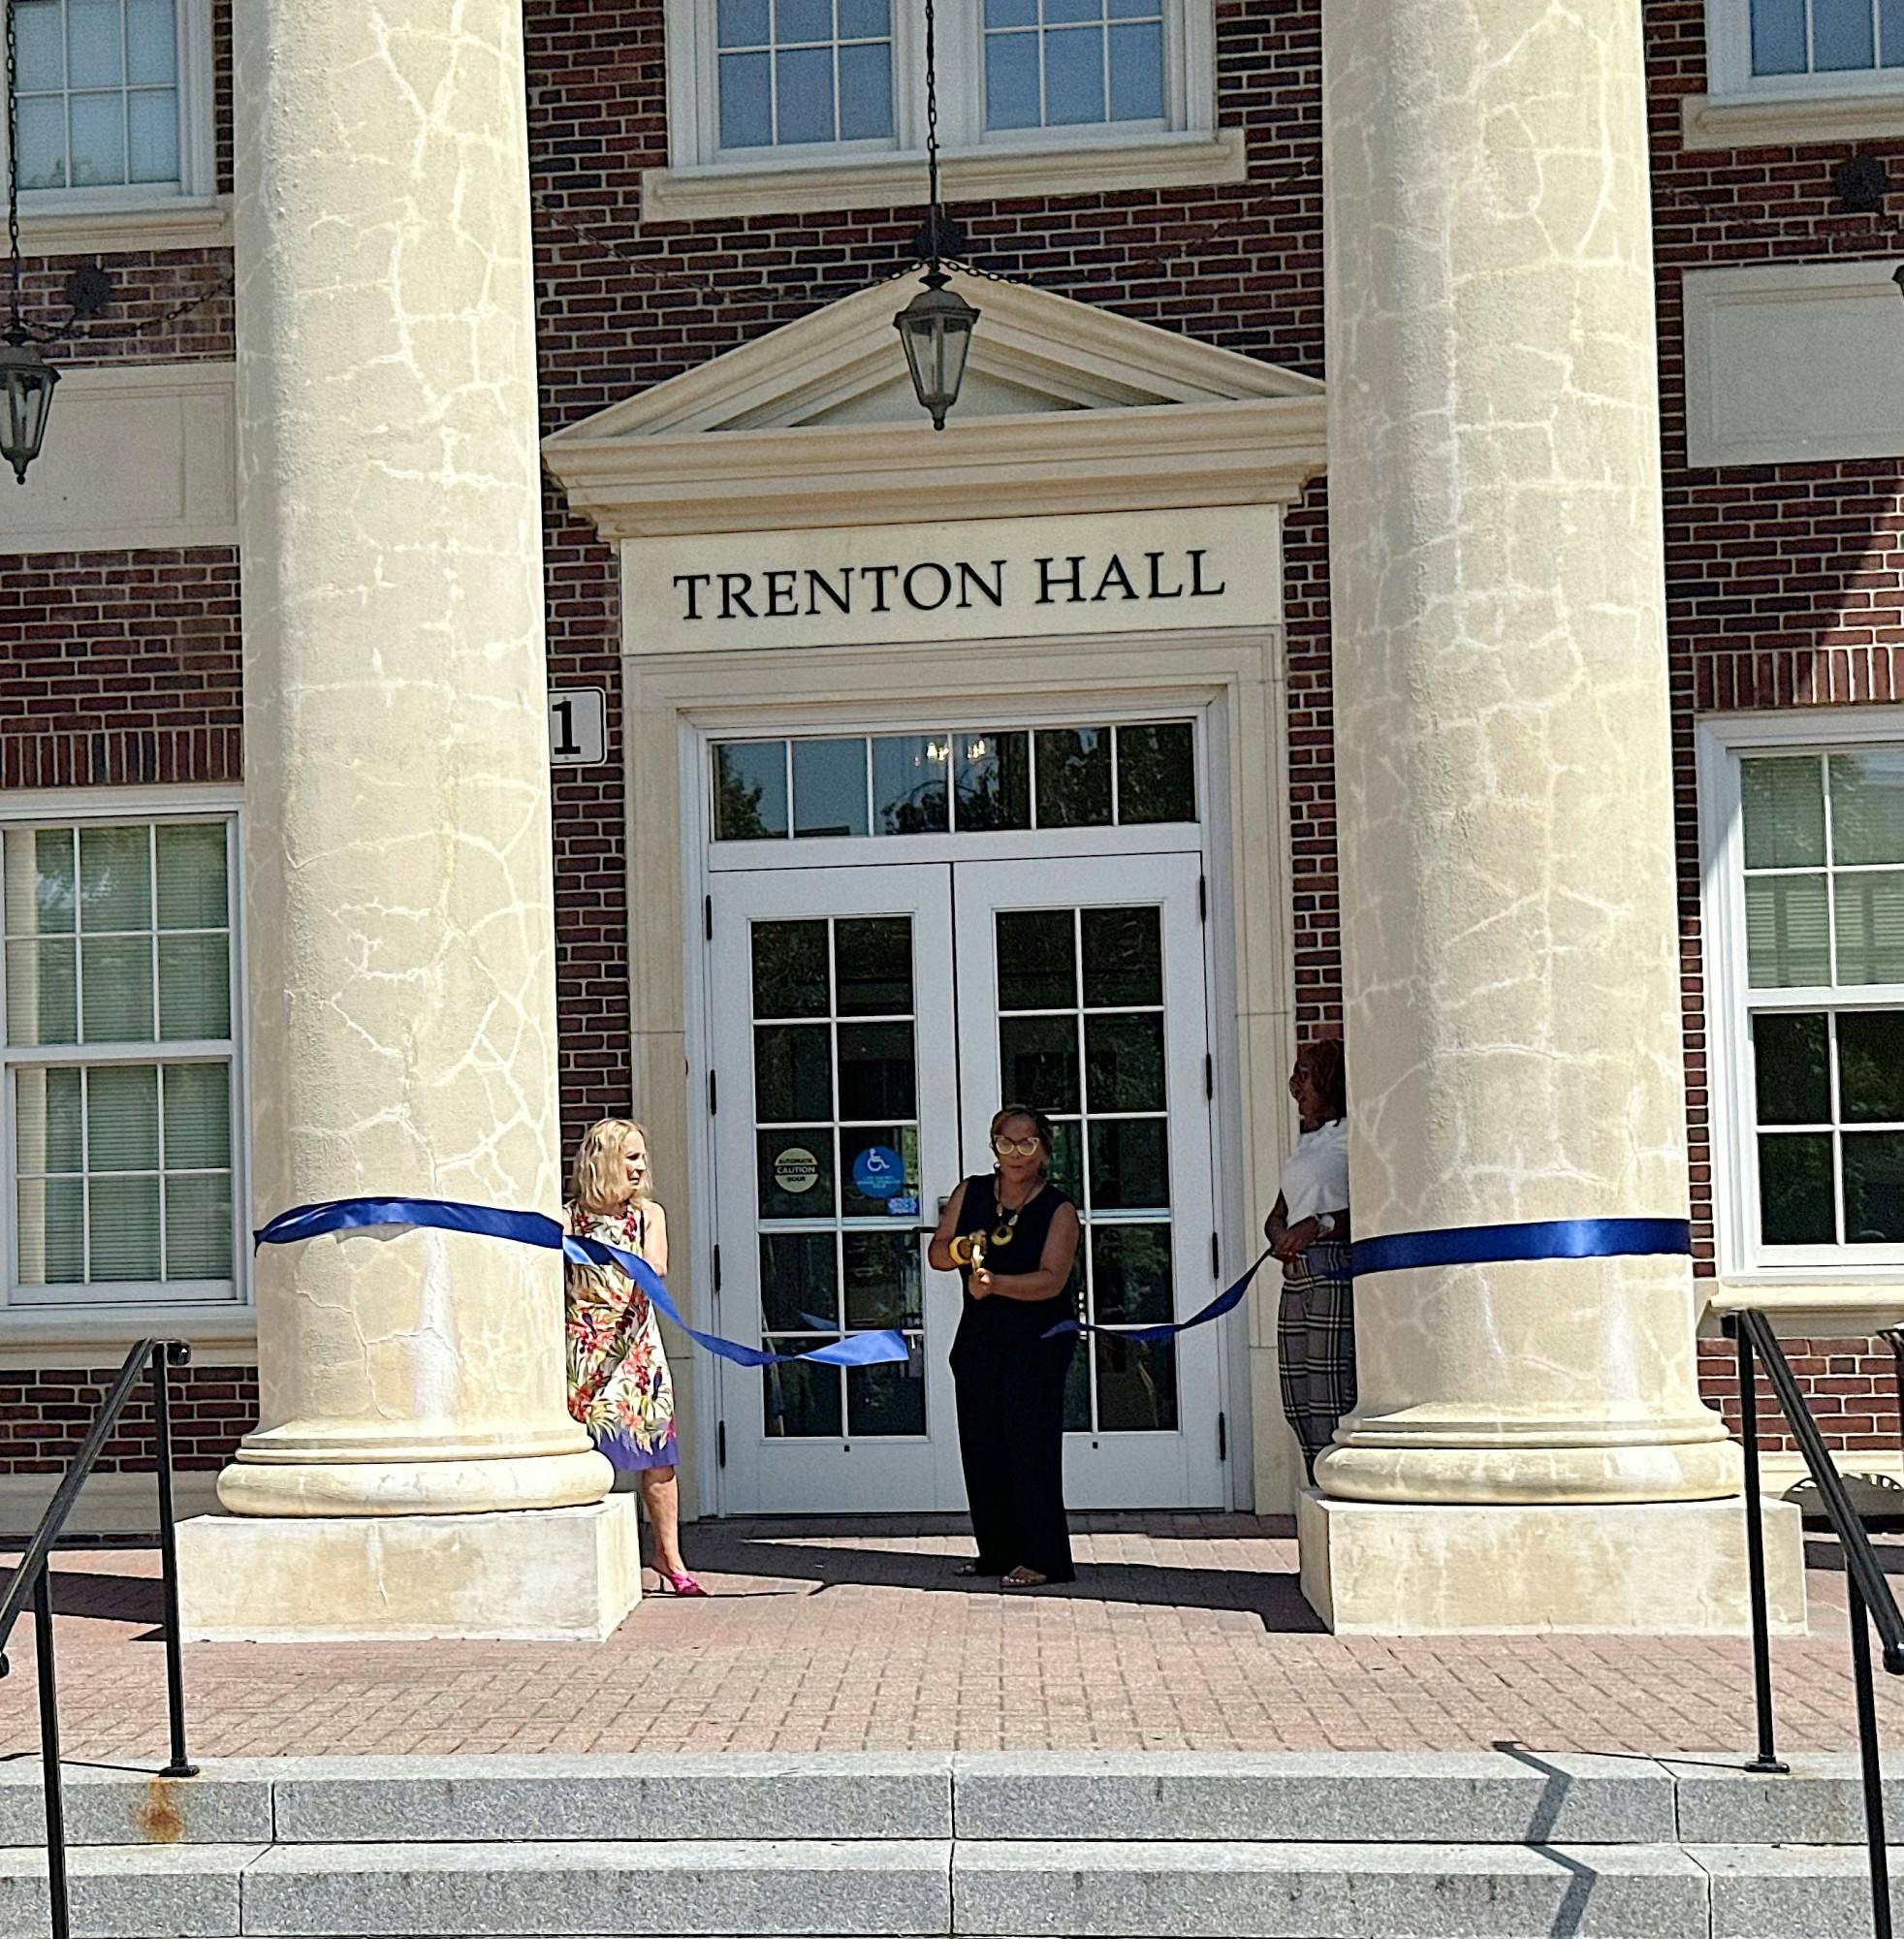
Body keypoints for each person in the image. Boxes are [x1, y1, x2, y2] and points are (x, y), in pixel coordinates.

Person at [930, 1105, 1083, 1588]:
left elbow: (1051, 1281)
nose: (1016, 1154)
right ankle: (996, 1552)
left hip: (1038, 1342)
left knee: (1028, 1447)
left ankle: (1045, 1558)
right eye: (1006, 1142)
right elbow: (937, 1252)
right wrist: (961, 1250)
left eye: (1027, 1143)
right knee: (982, 1446)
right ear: (993, 1144)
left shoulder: (1058, 1209)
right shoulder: (970, 1192)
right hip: (979, 1340)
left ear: (1044, 1149)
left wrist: (995, 1284)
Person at [565, 1117, 705, 1597]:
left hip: (637, 1354)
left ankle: (669, 1555)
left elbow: (656, 1267)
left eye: (641, 1157)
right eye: (630, 1157)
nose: (640, 1167)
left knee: (657, 1460)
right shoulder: (565, 1220)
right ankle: (586, 1561)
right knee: (582, 1457)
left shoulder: (649, 1216)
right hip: (584, 1353)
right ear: (601, 1160)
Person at [1265, 1036, 1352, 1482]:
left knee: (1329, 1398)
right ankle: (1314, 1490)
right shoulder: (1310, 1143)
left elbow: (1371, 1210)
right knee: (1297, 1400)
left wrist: (1316, 1226)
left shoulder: (1355, 1136)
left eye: (1304, 1075)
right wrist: (1281, 1233)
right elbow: (1279, 1213)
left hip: (1332, 1273)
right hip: (1295, 1277)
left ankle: (1338, 1493)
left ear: (1331, 1080)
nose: (1294, 1085)